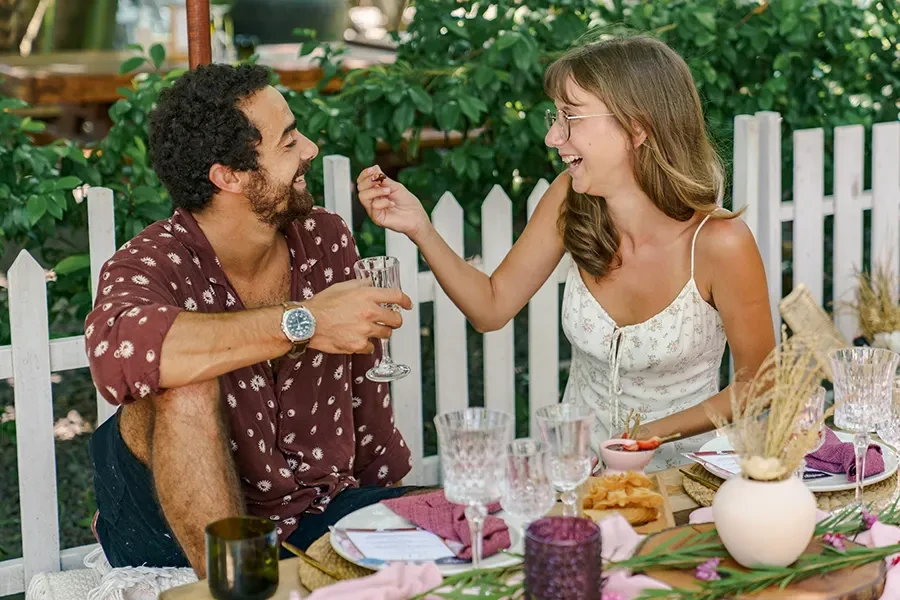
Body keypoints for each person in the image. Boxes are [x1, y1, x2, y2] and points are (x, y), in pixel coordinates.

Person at [356, 35, 775, 470]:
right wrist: (420, 229)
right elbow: (491, 308)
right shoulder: (570, 200)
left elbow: (760, 383)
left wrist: (647, 436)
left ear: (638, 126)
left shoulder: (720, 243)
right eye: (555, 116)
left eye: (571, 117)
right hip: (576, 477)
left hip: (688, 482)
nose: (553, 136)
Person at [85, 63, 415, 576]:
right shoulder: (150, 261)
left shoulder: (324, 237)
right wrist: (304, 322)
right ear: (229, 176)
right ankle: (241, 584)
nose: (309, 149)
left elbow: (363, 395)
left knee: (468, 522)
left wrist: (387, 515)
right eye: (288, 142)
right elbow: (117, 356)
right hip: (167, 523)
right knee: (181, 380)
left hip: (314, 509)